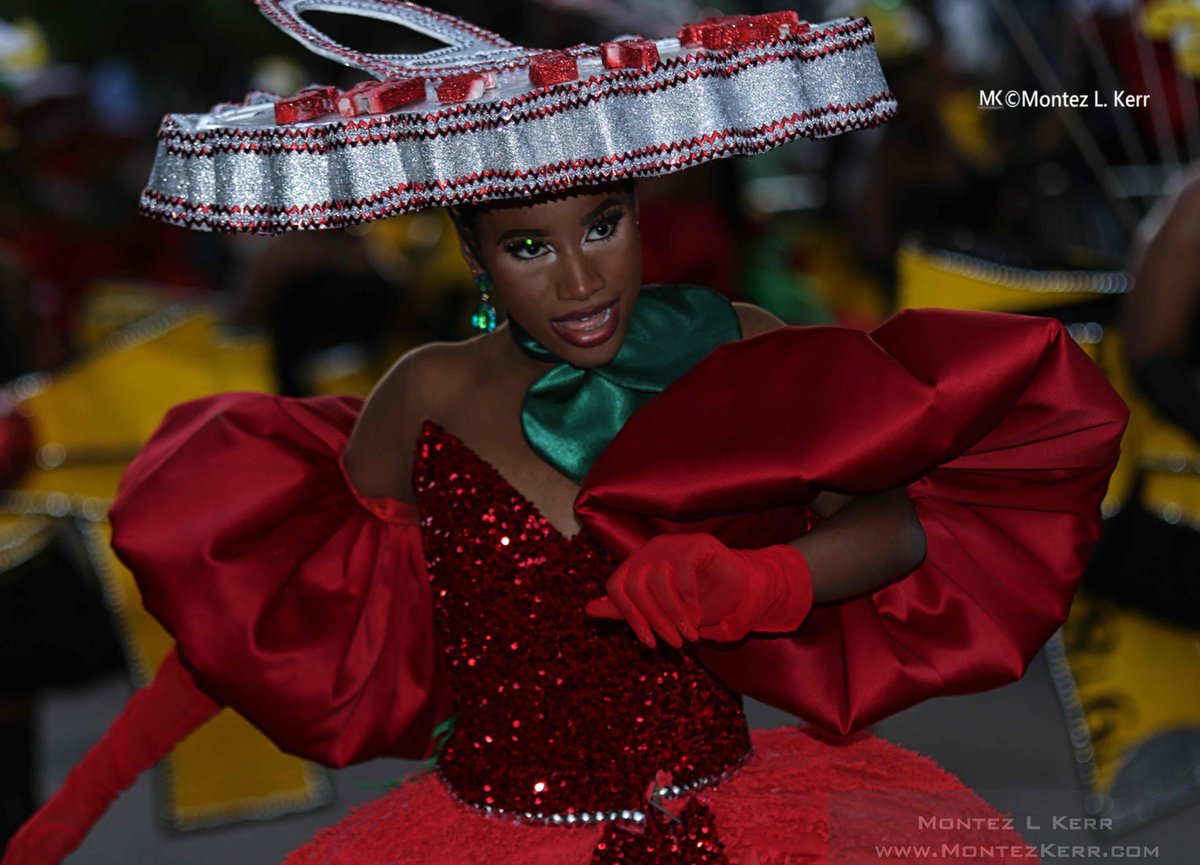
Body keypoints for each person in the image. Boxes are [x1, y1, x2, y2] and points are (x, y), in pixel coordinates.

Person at [4, 2, 1128, 863]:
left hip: (736, 819)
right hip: (484, 828)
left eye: (604, 224)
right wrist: (76, 805)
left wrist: (770, 580)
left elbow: (895, 523)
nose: (583, 278)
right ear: (475, 258)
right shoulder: (426, 393)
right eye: (528, 247)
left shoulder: (735, 343)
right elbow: (272, 613)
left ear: (643, 212)